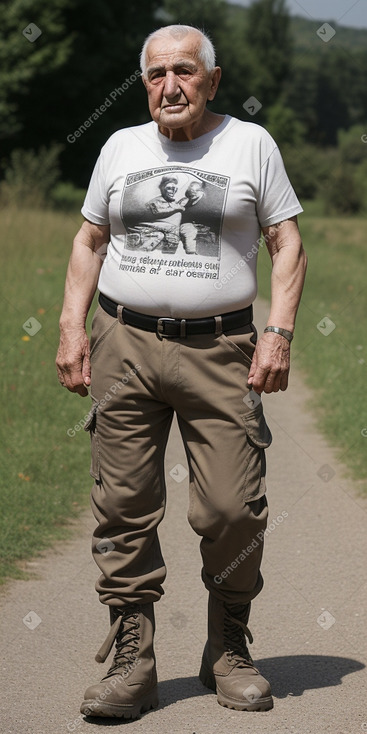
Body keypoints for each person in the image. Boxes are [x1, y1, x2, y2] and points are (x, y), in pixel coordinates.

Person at [56, 24, 307, 720]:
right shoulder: (119, 148)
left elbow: (286, 244)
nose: (171, 86)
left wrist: (278, 334)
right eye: (157, 73)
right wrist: (71, 325)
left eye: (186, 72)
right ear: (143, 83)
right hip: (122, 343)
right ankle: (133, 660)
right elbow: (89, 240)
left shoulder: (249, 145)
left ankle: (227, 645)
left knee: (232, 508)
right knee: (124, 505)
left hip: (220, 348)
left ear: (212, 80)